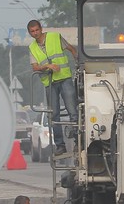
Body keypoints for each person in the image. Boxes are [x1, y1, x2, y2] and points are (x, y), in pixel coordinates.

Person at [28, 19, 78, 155]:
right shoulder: (32, 48)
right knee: (54, 114)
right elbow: (35, 67)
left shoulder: (55, 37)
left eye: (37, 30)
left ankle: (78, 143)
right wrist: (47, 66)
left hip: (64, 78)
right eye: (32, 31)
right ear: (29, 33)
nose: (35, 33)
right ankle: (60, 145)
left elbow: (71, 49)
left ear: (41, 29)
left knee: (72, 110)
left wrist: (78, 61)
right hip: (50, 83)